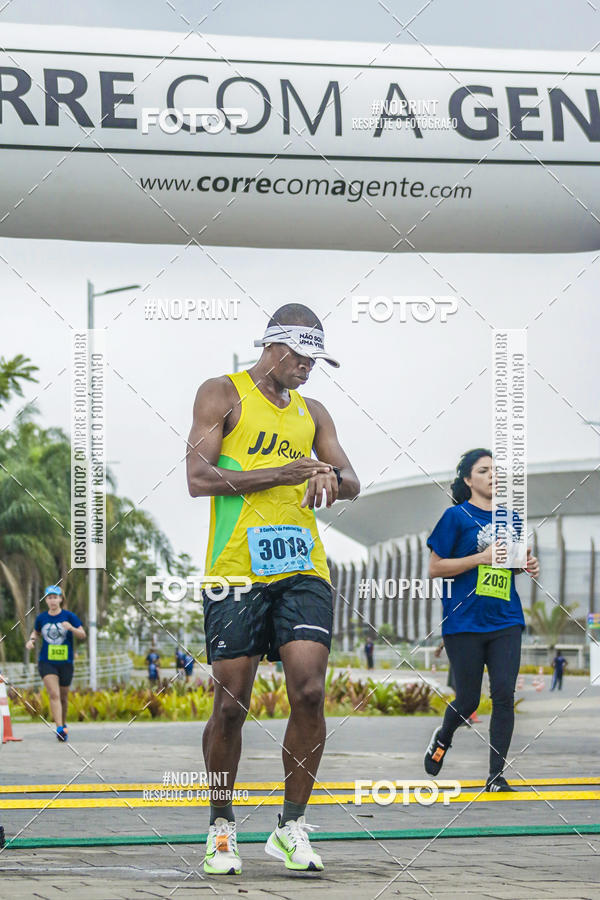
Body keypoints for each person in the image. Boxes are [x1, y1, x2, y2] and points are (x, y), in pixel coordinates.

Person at [186, 303, 360, 875]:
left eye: (316, 360)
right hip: (236, 570)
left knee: (309, 691)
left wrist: (331, 475)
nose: (310, 369)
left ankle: (290, 828)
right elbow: (198, 477)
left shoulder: (313, 412)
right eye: (304, 358)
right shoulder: (222, 393)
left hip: (303, 569)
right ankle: (220, 828)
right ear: (276, 348)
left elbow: (353, 479)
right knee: (231, 704)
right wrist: (280, 475)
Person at [423, 449, 539, 792]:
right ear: (468, 479)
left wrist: (526, 566)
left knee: (504, 694)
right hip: (464, 623)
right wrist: (480, 558)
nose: (492, 475)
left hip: (505, 619)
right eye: (483, 470)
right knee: (469, 700)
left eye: (495, 470)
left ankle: (495, 775)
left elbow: (514, 563)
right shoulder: (454, 517)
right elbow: (435, 568)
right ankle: (443, 737)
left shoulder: (512, 518)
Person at [25, 585, 86, 742]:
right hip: (46, 662)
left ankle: (63, 725)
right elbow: (36, 632)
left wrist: (71, 628)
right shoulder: (42, 618)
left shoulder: (69, 616)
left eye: (55, 597)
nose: (52, 600)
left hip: (66, 662)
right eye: (49, 597)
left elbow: (82, 635)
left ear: (60, 599)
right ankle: (59, 728)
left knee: (63, 697)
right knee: (54, 694)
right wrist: (31, 641)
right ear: (46, 600)